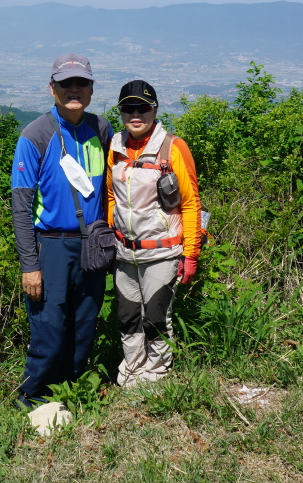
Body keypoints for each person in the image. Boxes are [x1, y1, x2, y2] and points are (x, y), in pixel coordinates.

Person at [11, 53, 113, 406]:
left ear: (91, 89)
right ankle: (32, 398)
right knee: (50, 328)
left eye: (82, 83)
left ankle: (71, 394)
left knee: (84, 325)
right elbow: (21, 207)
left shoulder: (101, 129)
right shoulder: (35, 135)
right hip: (51, 246)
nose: (74, 89)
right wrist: (30, 265)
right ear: (51, 88)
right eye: (66, 83)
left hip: (93, 244)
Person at [106, 80, 201, 387]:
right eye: (128, 108)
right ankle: (131, 374)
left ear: (155, 109)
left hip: (162, 251)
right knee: (128, 317)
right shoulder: (115, 147)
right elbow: (111, 196)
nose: (136, 114)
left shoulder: (173, 147)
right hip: (125, 252)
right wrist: (111, 232)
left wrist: (191, 254)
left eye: (143, 107)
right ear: (121, 112)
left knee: (156, 317)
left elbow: (190, 203)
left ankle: (156, 377)